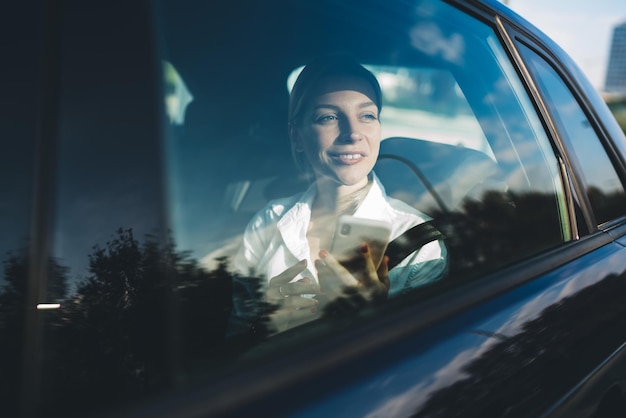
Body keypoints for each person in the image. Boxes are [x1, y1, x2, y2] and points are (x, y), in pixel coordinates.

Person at [233, 55, 446, 333]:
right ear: (296, 136)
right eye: (329, 117)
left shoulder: (421, 244)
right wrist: (264, 322)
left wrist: (372, 316)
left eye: (367, 115)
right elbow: (233, 333)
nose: (353, 133)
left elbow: (423, 363)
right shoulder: (268, 221)